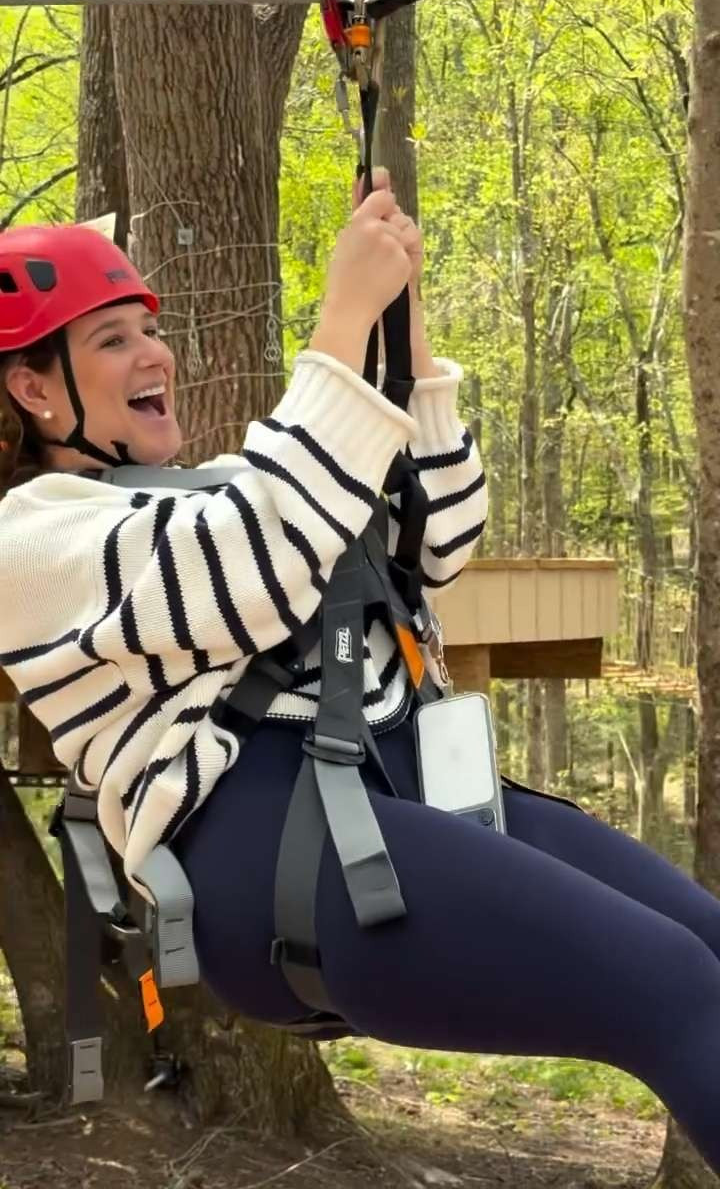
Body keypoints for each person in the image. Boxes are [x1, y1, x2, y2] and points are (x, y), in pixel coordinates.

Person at [1, 182, 720, 1177]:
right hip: (265, 852)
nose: (156, 353)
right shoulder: (29, 541)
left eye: (150, 330)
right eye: (114, 339)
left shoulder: (207, 487)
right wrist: (339, 327)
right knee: (672, 986)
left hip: (397, 790)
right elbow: (258, 550)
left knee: (711, 951)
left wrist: (404, 342)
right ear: (34, 388)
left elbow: (438, 541)